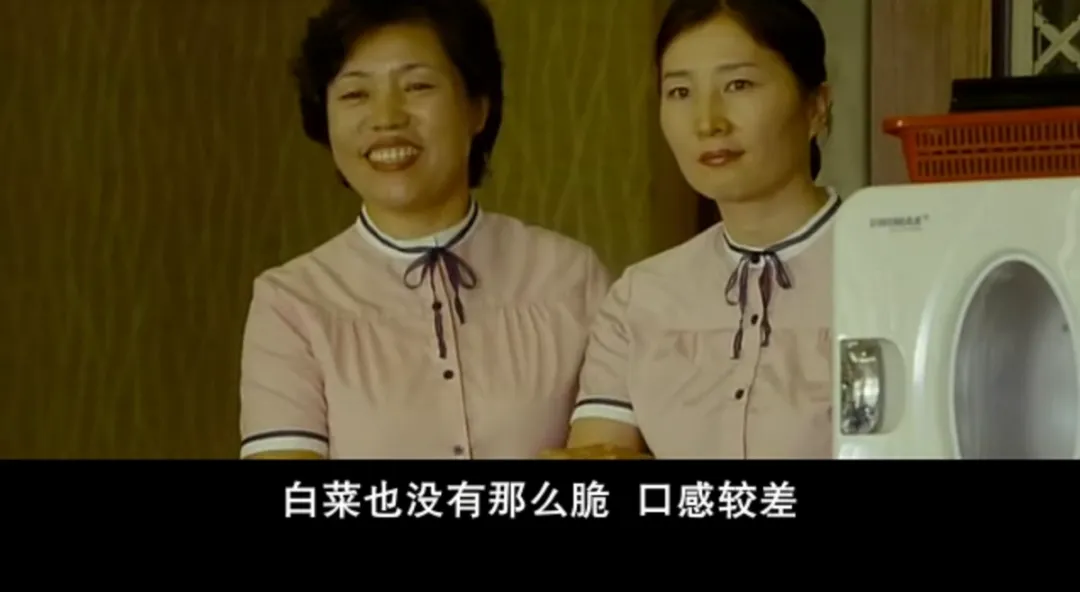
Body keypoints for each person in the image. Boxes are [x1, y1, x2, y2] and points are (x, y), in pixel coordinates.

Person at [239, 0, 610, 459]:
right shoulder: (291, 304)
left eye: (417, 86)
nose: (387, 118)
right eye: (355, 94)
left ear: (477, 109)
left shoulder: (570, 277)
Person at [548, 0, 839, 459]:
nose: (708, 122)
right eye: (680, 92)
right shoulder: (640, 298)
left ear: (816, 107)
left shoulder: (894, 267)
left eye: (739, 85)